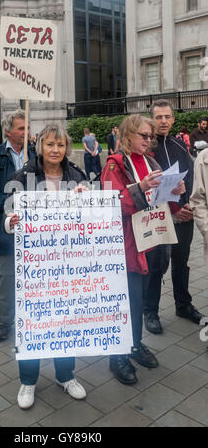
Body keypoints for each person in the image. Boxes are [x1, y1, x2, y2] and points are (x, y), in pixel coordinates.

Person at [4, 124, 87, 409]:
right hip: (35, 267)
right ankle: (28, 380)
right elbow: (7, 212)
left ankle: (66, 375)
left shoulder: (77, 174)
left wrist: (86, 197)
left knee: (66, 319)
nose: (55, 150)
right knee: (33, 321)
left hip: (68, 264)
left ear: (67, 148)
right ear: (40, 146)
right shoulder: (23, 176)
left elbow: (92, 215)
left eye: (60, 145)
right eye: (50, 144)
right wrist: (11, 221)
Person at [101, 114, 185, 385]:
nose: (149, 140)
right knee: (126, 301)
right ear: (127, 136)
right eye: (144, 135)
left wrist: (176, 193)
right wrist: (141, 186)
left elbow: (160, 199)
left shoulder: (151, 161)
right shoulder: (114, 164)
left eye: (150, 136)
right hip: (126, 243)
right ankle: (118, 355)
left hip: (150, 238)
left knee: (140, 297)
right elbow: (110, 203)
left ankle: (135, 344)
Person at [143, 100, 204, 335]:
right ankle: (150, 310)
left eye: (167, 117)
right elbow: (146, 190)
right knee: (156, 266)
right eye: (158, 117)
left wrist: (188, 206)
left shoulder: (180, 145)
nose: (163, 121)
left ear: (173, 119)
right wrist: (172, 209)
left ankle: (183, 304)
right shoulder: (146, 148)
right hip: (158, 218)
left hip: (183, 217)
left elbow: (190, 181)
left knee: (181, 263)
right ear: (152, 119)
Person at [0, 109, 36, 342]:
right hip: (6, 230)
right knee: (6, 278)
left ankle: (31, 318)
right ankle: (3, 321)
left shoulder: (35, 155)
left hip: (33, 231)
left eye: (28, 128)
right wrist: (11, 203)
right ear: (8, 131)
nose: (26, 132)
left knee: (33, 279)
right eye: (22, 128)